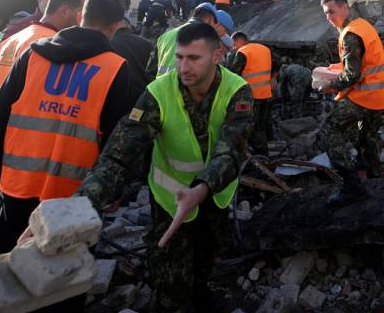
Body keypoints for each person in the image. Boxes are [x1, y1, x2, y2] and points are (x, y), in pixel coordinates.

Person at [75, 22, 254, 311]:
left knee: (207, 256)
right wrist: (82, 204)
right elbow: (119, 154)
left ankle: (201, 292)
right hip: (170, 196)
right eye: (180, 57)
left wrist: (202, 188)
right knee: (169, 275)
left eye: (194, 58)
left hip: (214, 195)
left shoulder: (237, 91)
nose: (183, 67)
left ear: (217, 56)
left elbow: (232, 149)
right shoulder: (157, 92)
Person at [0, 0, 132, 274]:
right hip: (74, 196)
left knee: (7, 269)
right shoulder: (115, 68)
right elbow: (117, 140)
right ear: (114, 27)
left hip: (18, 184)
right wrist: (114, 189)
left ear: (81, 16)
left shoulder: (34, 54)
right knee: (62, 279)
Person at [0, 0, 88, 160]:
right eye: (81, 12)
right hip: (18, 145)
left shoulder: (16, 38)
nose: (83, 19)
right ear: (64, 11)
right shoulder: (50, 45)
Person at [317, 0, 384, 204]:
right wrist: (336, 68)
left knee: (327, 133)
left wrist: (330, 85)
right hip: (381, 95)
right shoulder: (363, 25)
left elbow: (352, 74)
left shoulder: (350, 34)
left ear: (344, 7)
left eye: (332, 12)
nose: (329, 18)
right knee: (366, 135)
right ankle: (375, 180)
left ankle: (351, 186)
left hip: (365, 95)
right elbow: (366, 62)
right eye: (325, 14)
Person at [149, 3, 233, 77]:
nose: (223, 34)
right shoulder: (203, 40)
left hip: (159, 90)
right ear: (210, 20)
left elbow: (150, 71)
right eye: (224, 31)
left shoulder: (165, 36)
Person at [229, 32, 276, 156]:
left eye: (234, 44)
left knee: (247, 124)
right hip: (265, 94)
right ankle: (264, 153)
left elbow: (234, 74)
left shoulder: (243, 52)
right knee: (261, 125)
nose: (234, 47)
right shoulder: (265, 49)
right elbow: (276, 64)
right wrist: (272, 78)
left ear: (239, 41)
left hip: (249, 98)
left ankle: (253, 155)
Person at [111, 15, 153, 98]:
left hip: (117, 96)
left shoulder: (108, 43)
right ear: (128, 24)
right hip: (141, 96)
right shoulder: (146, 43)